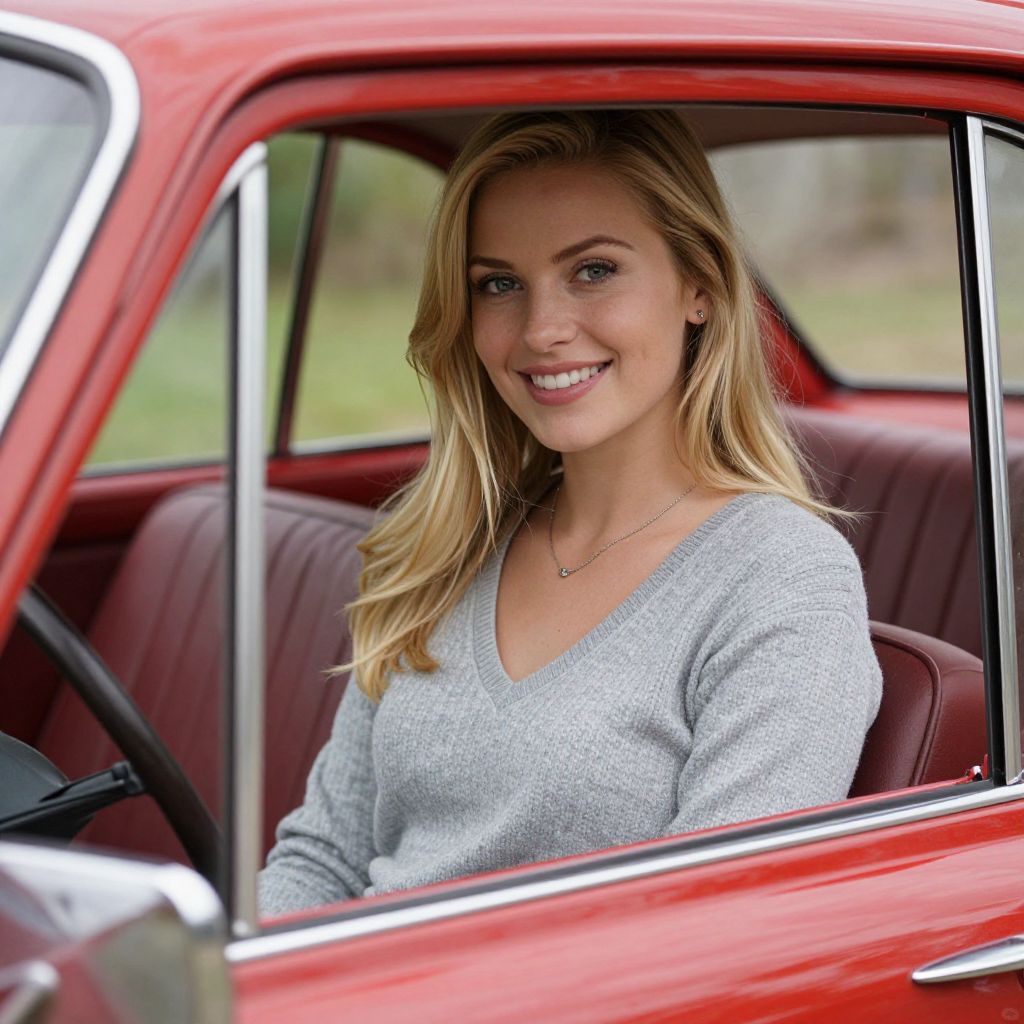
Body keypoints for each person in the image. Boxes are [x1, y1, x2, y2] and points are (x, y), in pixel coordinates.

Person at [258, 109, 882, 916]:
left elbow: (720, 931)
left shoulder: (781, 577)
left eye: (593, 271)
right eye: (499, 284)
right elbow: (322, 859)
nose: (542, 330)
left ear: (699, 286)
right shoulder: (447, 545)